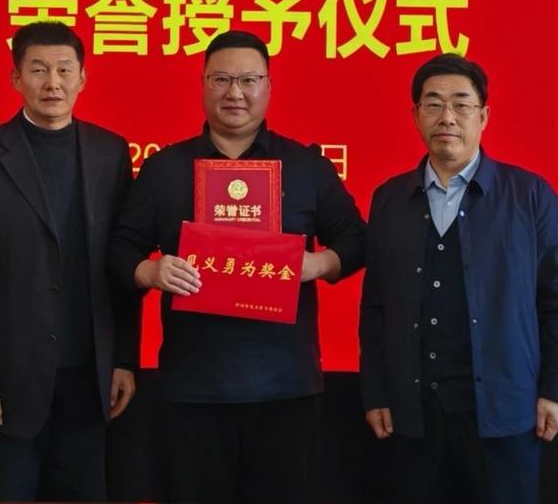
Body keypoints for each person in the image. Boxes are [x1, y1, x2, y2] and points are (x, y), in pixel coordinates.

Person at [109, 30, 366, 504]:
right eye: (221, 79)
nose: (235, 92)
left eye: (249, 80)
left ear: (268, 86)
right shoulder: (165, 168)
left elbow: (356, 240)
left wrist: (318, 263)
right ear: (203, 84)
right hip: (193, 387)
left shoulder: (305, 166)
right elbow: (122, 248)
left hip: (285, 387)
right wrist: (150, 272)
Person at [359, 53, 558, 504]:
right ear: (416, 115)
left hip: (504, 410)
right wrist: (375, 392)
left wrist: (555, 391)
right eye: (433, 104)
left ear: (483, 116)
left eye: (461, 104)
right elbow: (376, 307)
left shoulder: (530, 197)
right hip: (413, 412)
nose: (447, 117)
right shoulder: (390, 200)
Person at [0, 21, 137, 501]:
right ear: (16, 78)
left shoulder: (110, 153)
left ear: (82, 77)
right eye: (39, 69)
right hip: (7, 387)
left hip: (90, 381)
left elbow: (120, 263)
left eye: (65, 70)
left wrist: (125, 359)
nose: (53, 83)